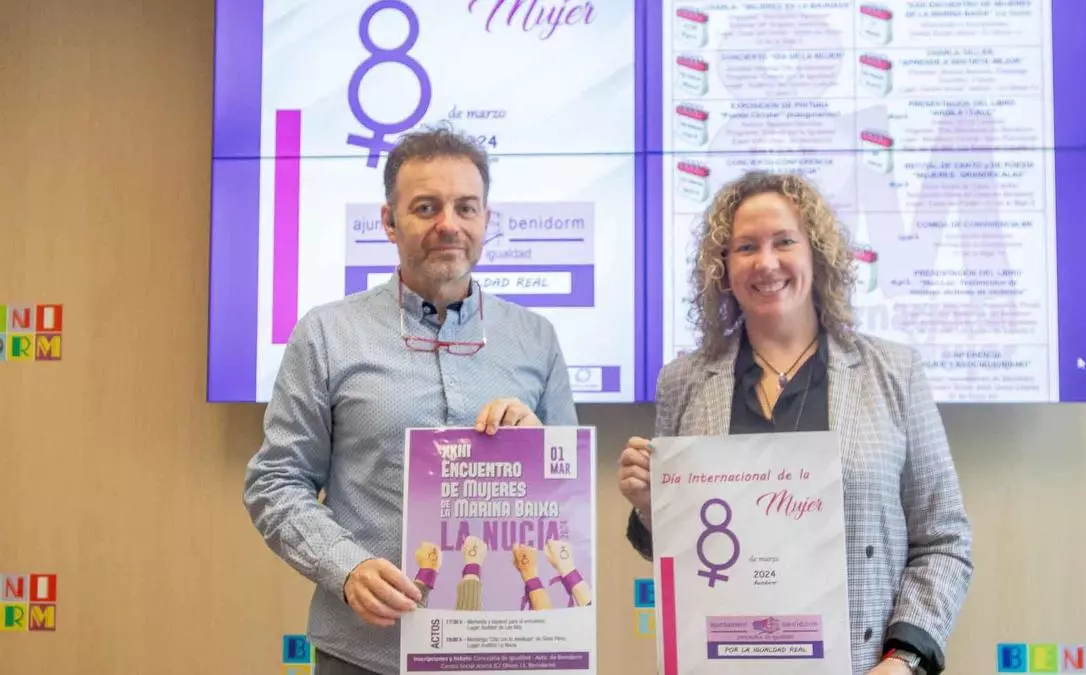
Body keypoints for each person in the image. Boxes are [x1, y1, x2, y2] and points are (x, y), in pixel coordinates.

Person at [243, 126, 578, 675]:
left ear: (486, 219)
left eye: (465, 207)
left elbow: (566, 500)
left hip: (505, 650)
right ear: (389, 222)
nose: (449, 224)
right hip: (365, 653)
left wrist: (539, 450)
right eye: (426, 207)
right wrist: (346, 568)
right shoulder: (326, 334)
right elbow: (275, 481)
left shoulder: (536, 339)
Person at [617, 170, 973, 675]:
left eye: (784, 241)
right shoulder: (683, 382)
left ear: (817, 255)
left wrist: (904, 658)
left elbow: (944, 539)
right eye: (745, 247)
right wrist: (653, 508)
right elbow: (680, 557)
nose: (766, 263)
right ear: (723, 268)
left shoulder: (894, 372)